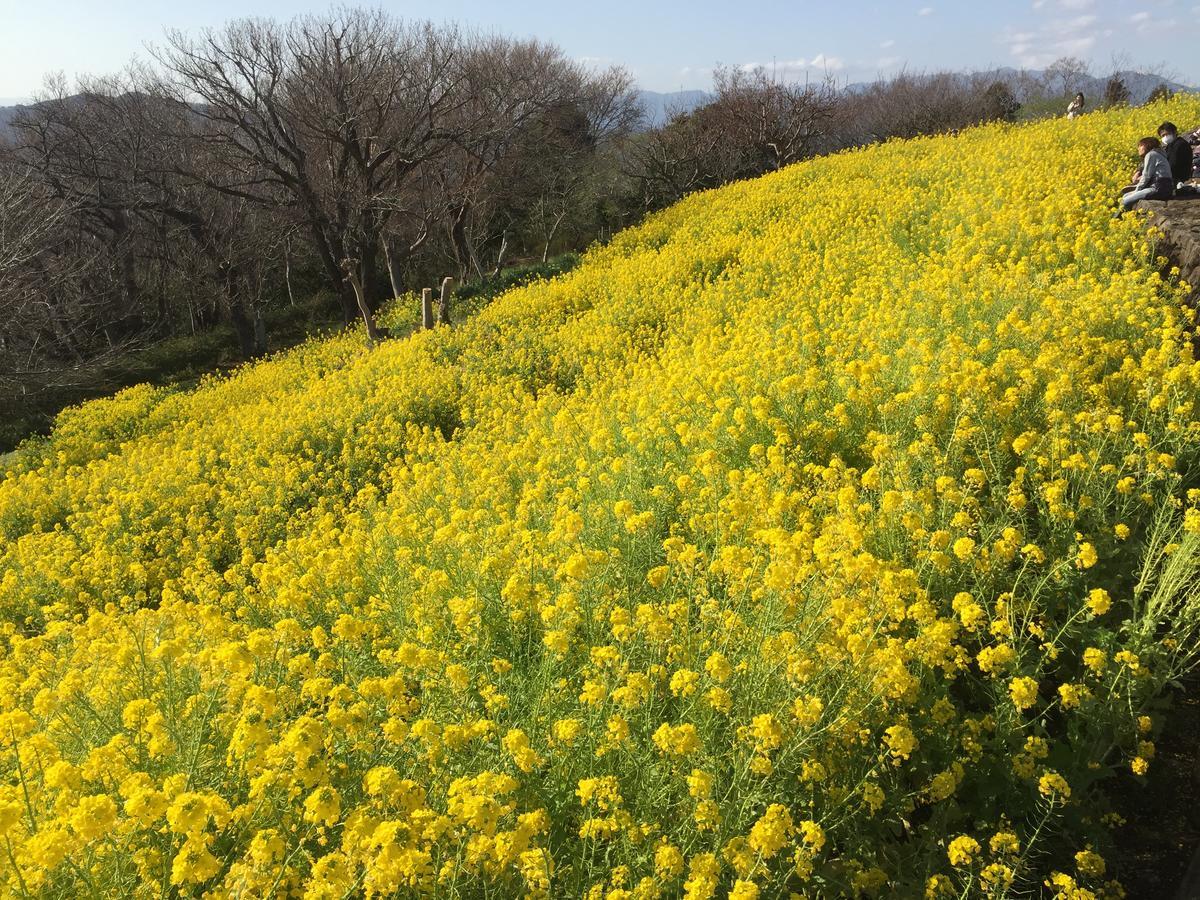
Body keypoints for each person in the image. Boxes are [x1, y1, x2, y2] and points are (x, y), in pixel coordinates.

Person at [1116, 136, 1174, 216]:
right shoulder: (1158, 154)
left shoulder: (1151, 154)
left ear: (1147, 145)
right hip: (1164, 187)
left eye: (1140, 146)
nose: (1138, 149)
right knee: (1126, 195)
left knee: (1124, 201)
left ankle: (1118, 219)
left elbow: (1146, 176)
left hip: (1158, 188)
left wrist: (1137, 190)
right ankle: (1127, 218)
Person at [1158, 121, 1194, 188]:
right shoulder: (1170, 145)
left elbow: (1172, 165)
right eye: (1163, 135)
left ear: (1175, 132)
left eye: (1167, 134)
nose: (1165, 137)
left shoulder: (1180, 145)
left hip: (1179, 179)